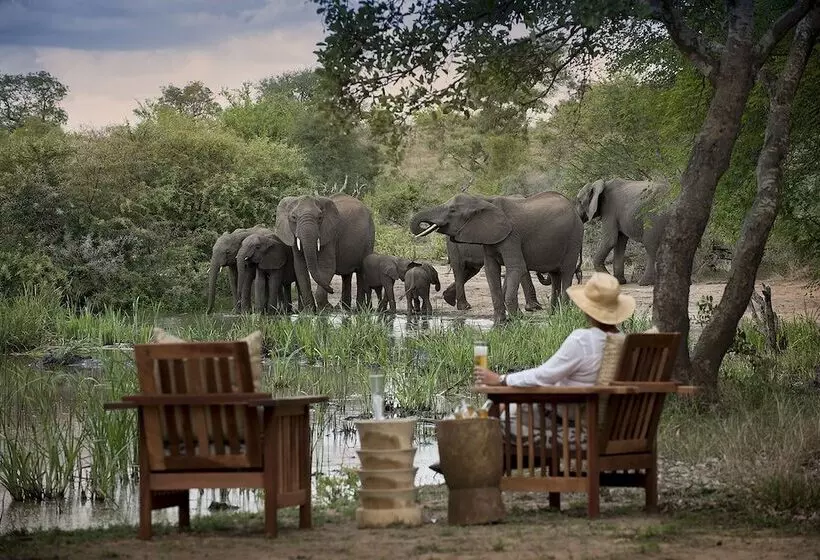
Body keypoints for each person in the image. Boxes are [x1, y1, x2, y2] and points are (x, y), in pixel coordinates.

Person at [429, 272, 636, 475]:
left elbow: (545, 375)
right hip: (608, 426)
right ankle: (464, 464)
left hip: (568, 422)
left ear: (587, 309)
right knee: (506, 407)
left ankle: (466, 467)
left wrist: (501, 380)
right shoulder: (626, 343)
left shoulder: (583, 340)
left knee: (492, 422)